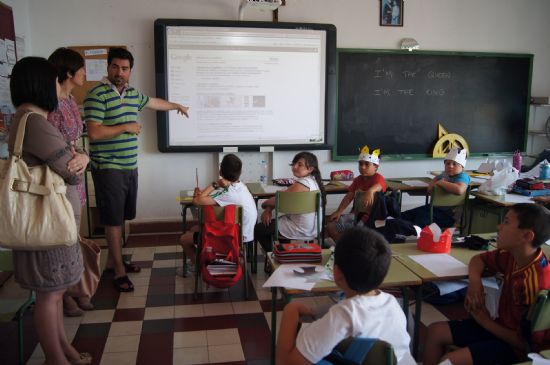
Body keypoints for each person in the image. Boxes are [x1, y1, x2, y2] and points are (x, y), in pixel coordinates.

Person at [83, 47, 189, 292]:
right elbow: (95, 132)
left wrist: (176, 105)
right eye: (115, 67)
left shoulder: (132, 93)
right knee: (112, 220)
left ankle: (113, 261)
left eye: (124, 68)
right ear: (107, 67)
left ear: (130, 71)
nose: (119, 72)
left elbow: (153, 102)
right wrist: (126, 127)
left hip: (129, 165)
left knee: (120, 217)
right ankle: (119, 271)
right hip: (108, 167)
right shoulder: (96, 95)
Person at [8, 57, 92, 365]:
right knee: (49, 295)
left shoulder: (24, 119)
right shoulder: (35, 123)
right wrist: (81, 158)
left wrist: (77, 156)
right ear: (42, 84)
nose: (60, 86)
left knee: (53, 292)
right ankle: (56, 358)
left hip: (43, 221)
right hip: (46, 223)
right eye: (55, 81)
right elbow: (70, 170)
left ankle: (64, 351)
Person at [423, 203, 550, 365]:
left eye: (506, 222)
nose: (499, 226)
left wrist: (484, 321)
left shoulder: (533, 283)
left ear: (526, 236)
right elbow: (479, 259)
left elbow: (524, 343)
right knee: (435, 331)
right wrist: (475, 283)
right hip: (500, 327)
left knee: (448, 361)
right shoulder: (514, 255)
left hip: (518, 349)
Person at [276, 227, 412, 364]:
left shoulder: (344, 314)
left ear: (337, 272)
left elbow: (286, 360)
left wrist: (290, 310)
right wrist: (314, 312)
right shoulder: (392, 302)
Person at [47, 47, 94, 317]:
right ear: (68, 73)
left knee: (75, 237)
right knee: (64, 238)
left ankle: (76, 288)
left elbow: (77, 140)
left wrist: (84, 156)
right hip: (60, 177)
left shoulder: (71, 98)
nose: (85, 74)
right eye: (81, 69)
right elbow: (54, 146)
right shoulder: (51, 104)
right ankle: (64, 296)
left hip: (75, 175)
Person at [177, 154, 257, 275]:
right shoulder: (241, 187)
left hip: (233, 238)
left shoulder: (228, 194)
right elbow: (208, 198)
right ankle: (206, 259)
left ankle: (199, 268)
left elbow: (197, 201)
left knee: (184, 239)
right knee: (194, 229)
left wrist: (215, 184)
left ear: (221, 170)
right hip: (243, 235)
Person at [254, 152, 326, 260]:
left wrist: (265, 205)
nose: (294, 167)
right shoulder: (312, 182)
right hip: (313, 228)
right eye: (294, 163)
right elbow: (279, 199)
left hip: (300, 228)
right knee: (276, 224)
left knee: (259, 229)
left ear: (310, 169)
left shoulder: (302, 184)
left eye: (300, 164)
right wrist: (269, 209)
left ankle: (274, 258)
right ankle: (286, 255)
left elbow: (278, 200)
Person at [326, 145, 386, 242]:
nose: (362, 167)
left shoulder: (378, 178)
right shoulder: (358, 179)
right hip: (356, 216)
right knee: (330, 226)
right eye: (360, 164)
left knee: (356, 234)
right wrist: (339, 211)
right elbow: (349, 196)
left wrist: (370, 191)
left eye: (367, 164)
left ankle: (354, 247)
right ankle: (344, 248)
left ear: (375, 166)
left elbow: (380, 185)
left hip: (370, 219)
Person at [401, 147, 470, 228]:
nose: (450, 166)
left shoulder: (463, 176)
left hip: (448, 216)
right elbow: (430, 189)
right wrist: (436, 182)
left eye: (455, 164)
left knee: (418, 221)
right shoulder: (445, 175)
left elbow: (459, 190)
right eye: (447, 163)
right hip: (434, 209)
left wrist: (441, 183)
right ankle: (396, 226)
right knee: (406, 215)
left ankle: (408, 232)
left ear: (462, 167)